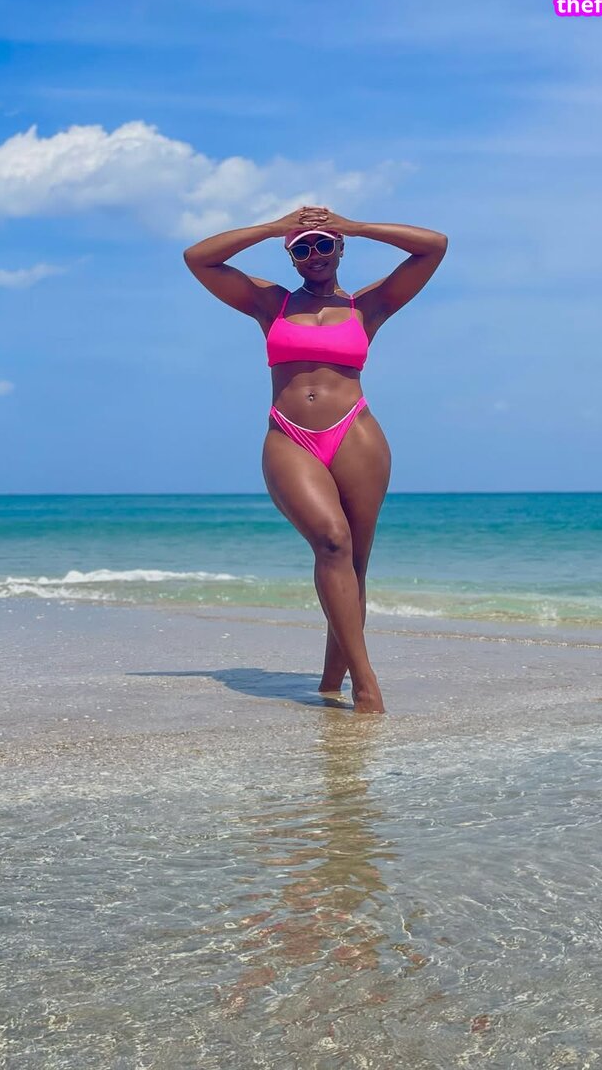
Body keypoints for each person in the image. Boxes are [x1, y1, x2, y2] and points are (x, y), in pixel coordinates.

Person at [183, 206, 447, 713]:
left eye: (324, 244)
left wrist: (356, 225)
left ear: (340, 249)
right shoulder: (271, 304)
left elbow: (434, 245)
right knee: (331, 542)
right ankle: (366, 685)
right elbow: (198, 258)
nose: (314, 254)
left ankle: (331, 681)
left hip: (356, 432)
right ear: (292, 257)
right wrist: (274, 228)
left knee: (355, 564)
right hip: (289, 436)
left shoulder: (369, 305)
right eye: (302, 248)